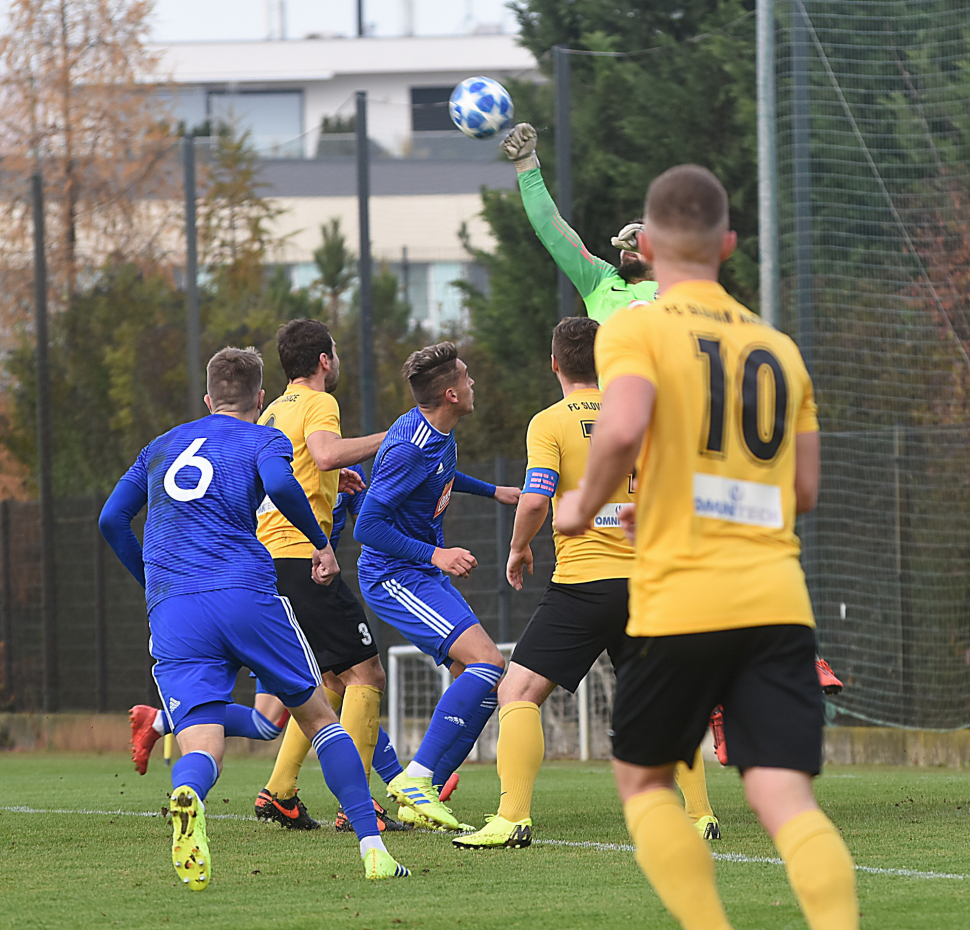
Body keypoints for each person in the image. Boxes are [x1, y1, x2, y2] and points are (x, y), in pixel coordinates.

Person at [555, 165, 857, 930]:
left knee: (643, 781)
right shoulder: (777, 346)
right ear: (727, 244)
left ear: (646, 248)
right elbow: (805, 491)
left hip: (681, 598)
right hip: (777, 600)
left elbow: (622, 428)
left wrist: (581, 506)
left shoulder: (634, 325)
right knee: (785, 796)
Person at [99, 346, 409, 887]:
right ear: (260, 398)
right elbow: (284, 483)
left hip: (174, 610)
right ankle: (372, 847)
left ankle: (190, 792)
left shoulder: (160, 445)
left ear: (207, 397)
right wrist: (319, 542)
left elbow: (111, 519)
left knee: (205, 741)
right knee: (316, 717)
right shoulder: (264, 435)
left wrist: (152, 581)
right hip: (245, 593)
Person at [454, 317, 719, 850]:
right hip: (647, 581)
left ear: (554, 363)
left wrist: (518, 547)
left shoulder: (549, 423)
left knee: (518, 690)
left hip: (584, 584)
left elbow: (533, 498)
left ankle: (512, 817)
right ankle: (699, 815)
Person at [354, 343, 521, 830]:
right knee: (488, 663)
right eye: (467, 378)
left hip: (419, 572)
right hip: (393, 576)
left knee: (486, 675)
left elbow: (441, 474)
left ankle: (420, 793)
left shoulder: (434, 431)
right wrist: (437, 555)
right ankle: (417, 779)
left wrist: (493, 491)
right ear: (450, 393)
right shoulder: (410, 446)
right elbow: (367, 527)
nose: (473, 385)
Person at [245, 319, 402, 833]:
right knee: (368, 675)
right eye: (335, 354)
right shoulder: (319, 402)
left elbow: (296, 468)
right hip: (300, 556)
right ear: (324, 362)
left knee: (331, 680)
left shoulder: (272, 410)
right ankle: (359, 804)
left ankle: (281, 792)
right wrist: (391, 436)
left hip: (266, 556)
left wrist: (331, 479)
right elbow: (325, 452)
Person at [501, 122, 657, 323]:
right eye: (628, 240)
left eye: (640, 242)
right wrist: (525, 164)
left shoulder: (679, 289)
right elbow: (549, 226)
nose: (631, 245)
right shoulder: (600, 281)